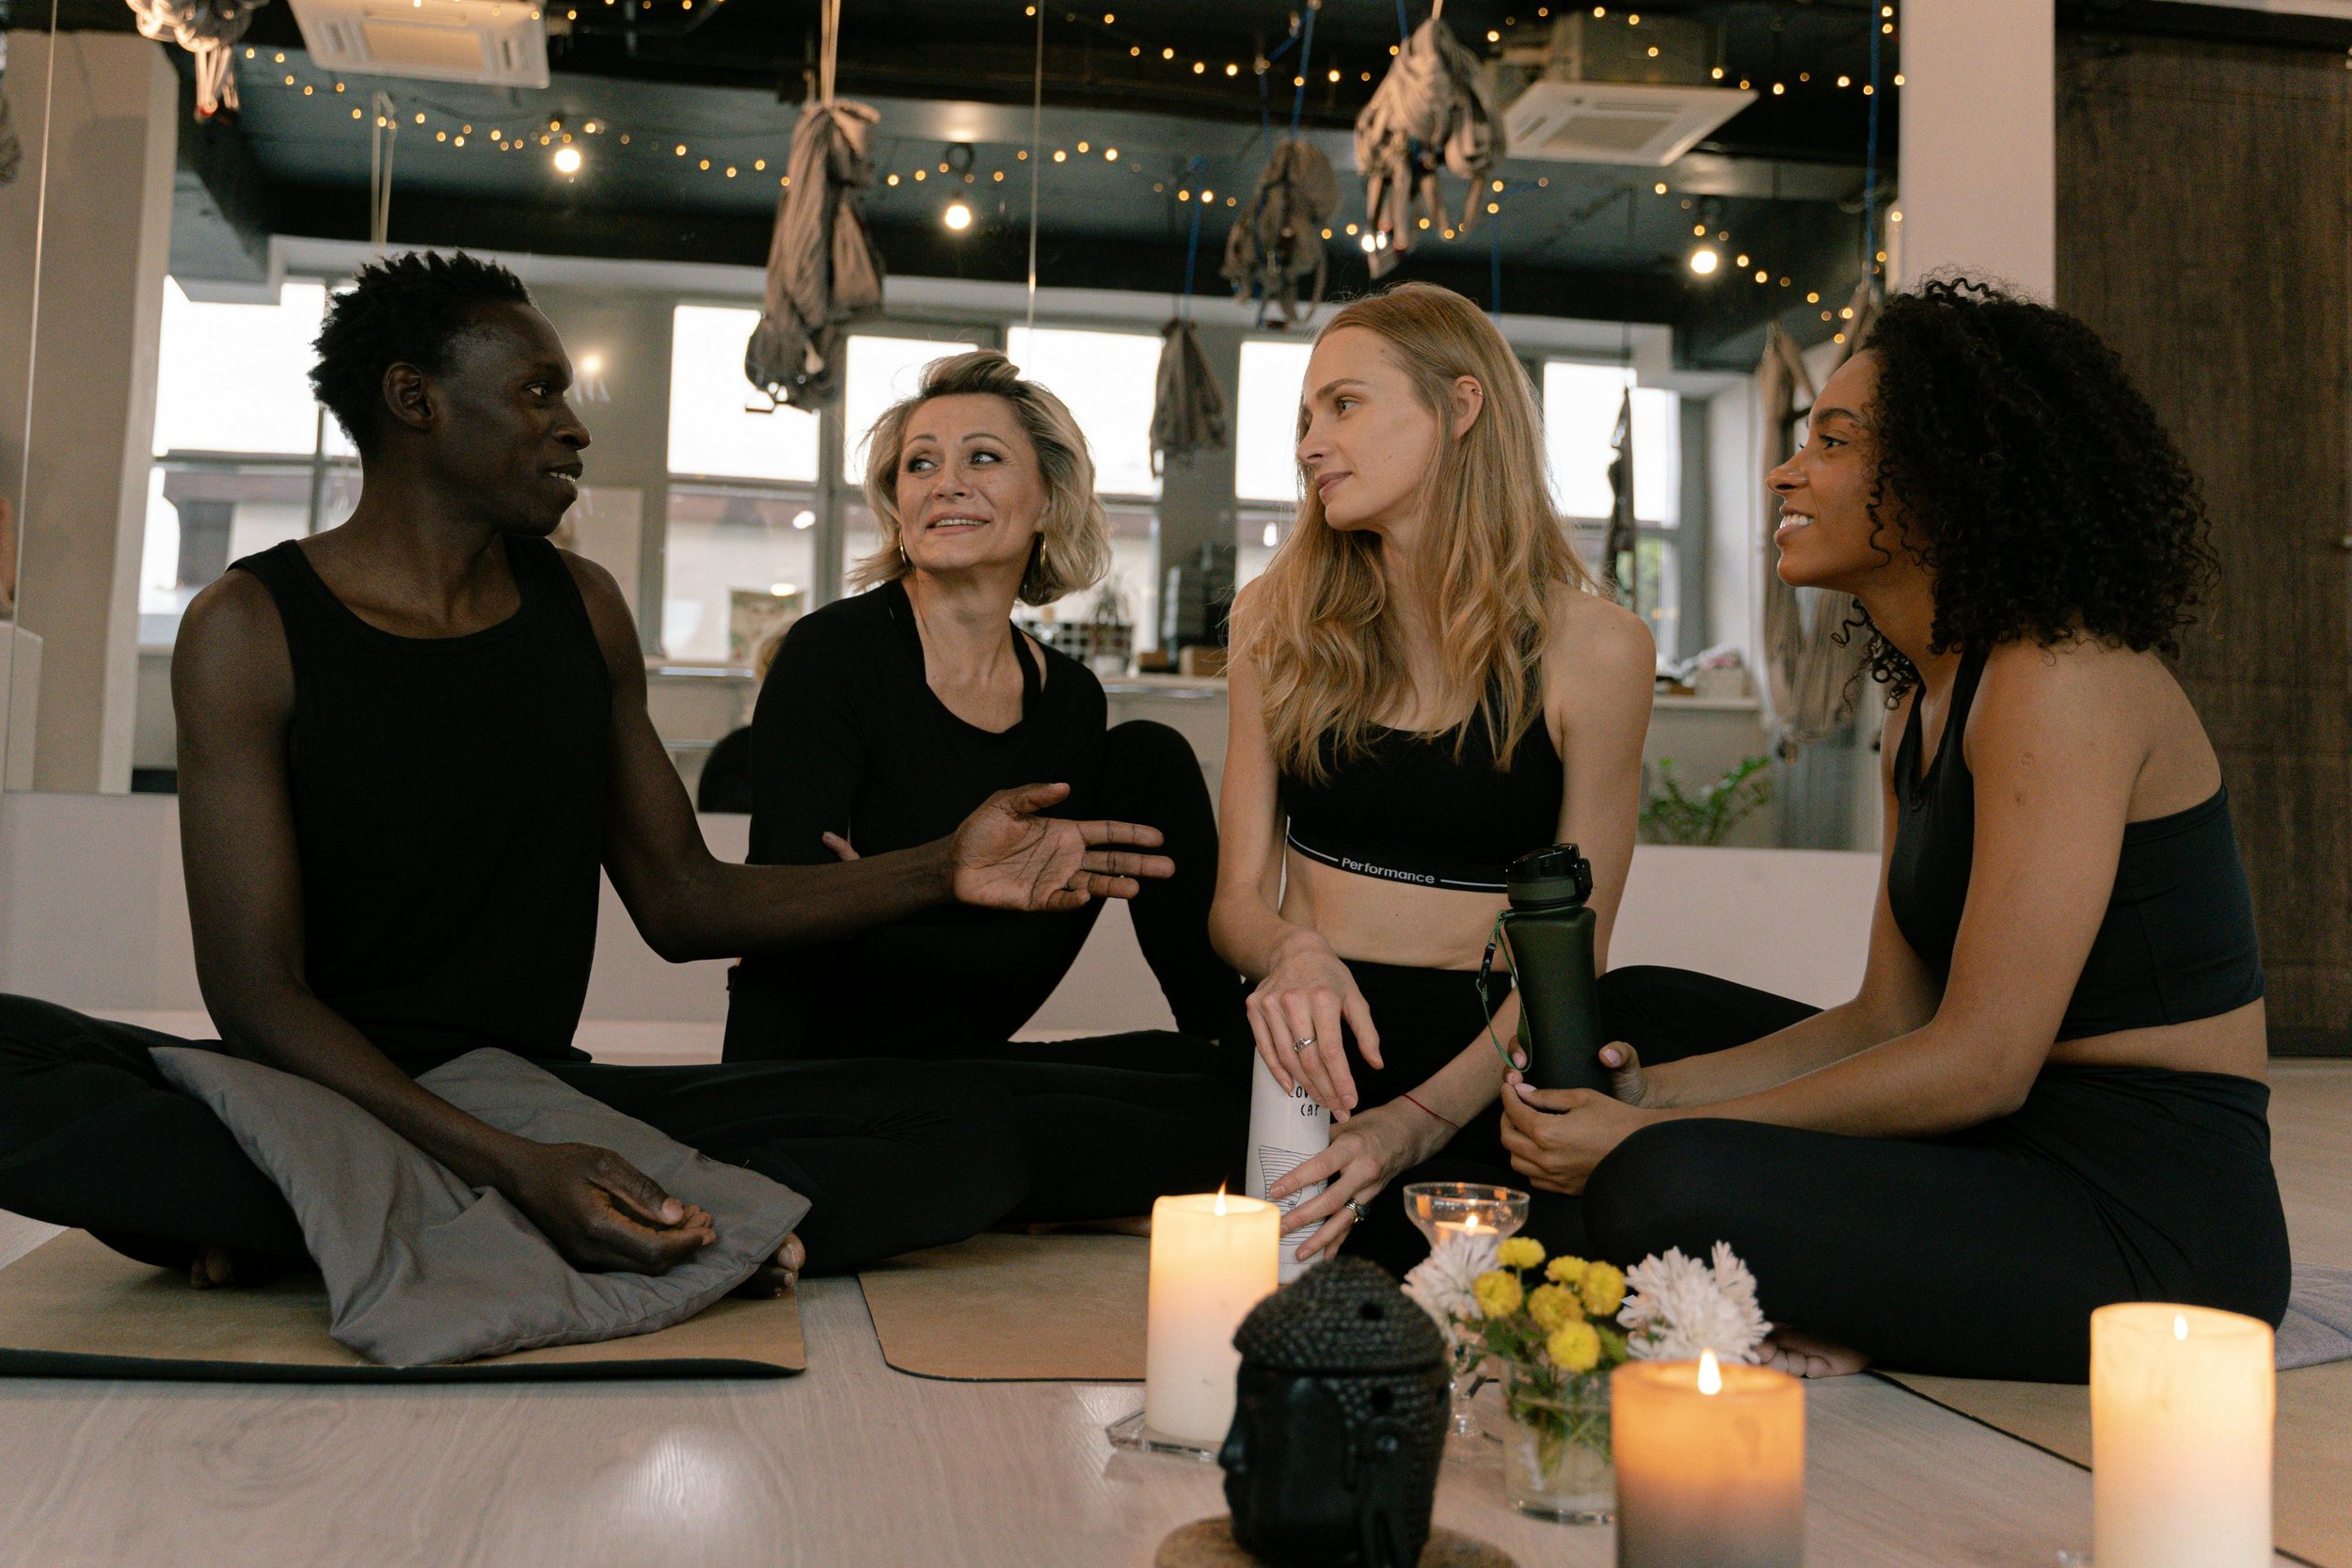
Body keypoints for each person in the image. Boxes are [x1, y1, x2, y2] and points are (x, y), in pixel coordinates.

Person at [0, 252, 1178, 1293]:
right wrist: (520, 1167)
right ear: (416, 401)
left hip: (543, 1093)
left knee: (963, 1134)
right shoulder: (247, 623)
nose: (572, 425)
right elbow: (257, 996)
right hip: (326, 1089)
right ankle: (417, 1197)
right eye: (535, 393)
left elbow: (682, 904)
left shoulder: (582, 606)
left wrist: (940, 865)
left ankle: (331, 1216)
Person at [1498, 278, 2290, 1384]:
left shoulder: (2058, 679)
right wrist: (1647, 1094)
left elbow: (1979, 1061)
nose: (1785, 470)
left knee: (1656, 1185)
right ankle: (1845, 1284)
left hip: (2149, 1224)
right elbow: (1888, 1015)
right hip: (1997, 1155)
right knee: (1639, 1018)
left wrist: (1646, 1140)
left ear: (1950, 475)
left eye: (1832, 439)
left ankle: (1839, 1284)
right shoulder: (1925, 699)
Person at [724, 349, 1248, 1222]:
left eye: (983, 457)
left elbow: (1011, 951)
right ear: (897, 507)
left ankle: (1250, 1067)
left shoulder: (1070, 701)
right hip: (833, 1078)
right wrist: (743, 1130)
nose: (944, 483)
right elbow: (779, 923)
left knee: (1223, 1092)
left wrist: (886, 895)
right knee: (993, 1141)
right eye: (919, 464)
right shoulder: (834, 658)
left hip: (966, 1060)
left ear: (1047, 499)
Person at [1207, 282, 1655, 1279]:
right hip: (1308, 1042)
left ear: (1459, 407)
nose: (1311, 440)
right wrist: (1292, 952)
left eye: (1345, 405)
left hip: (1492, 1061)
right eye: (1305, 416)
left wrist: (1411, 1125)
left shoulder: (1597, 648)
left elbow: (1572, 959)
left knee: (1504, 1313)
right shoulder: (1274, 620)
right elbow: (1234, 902)